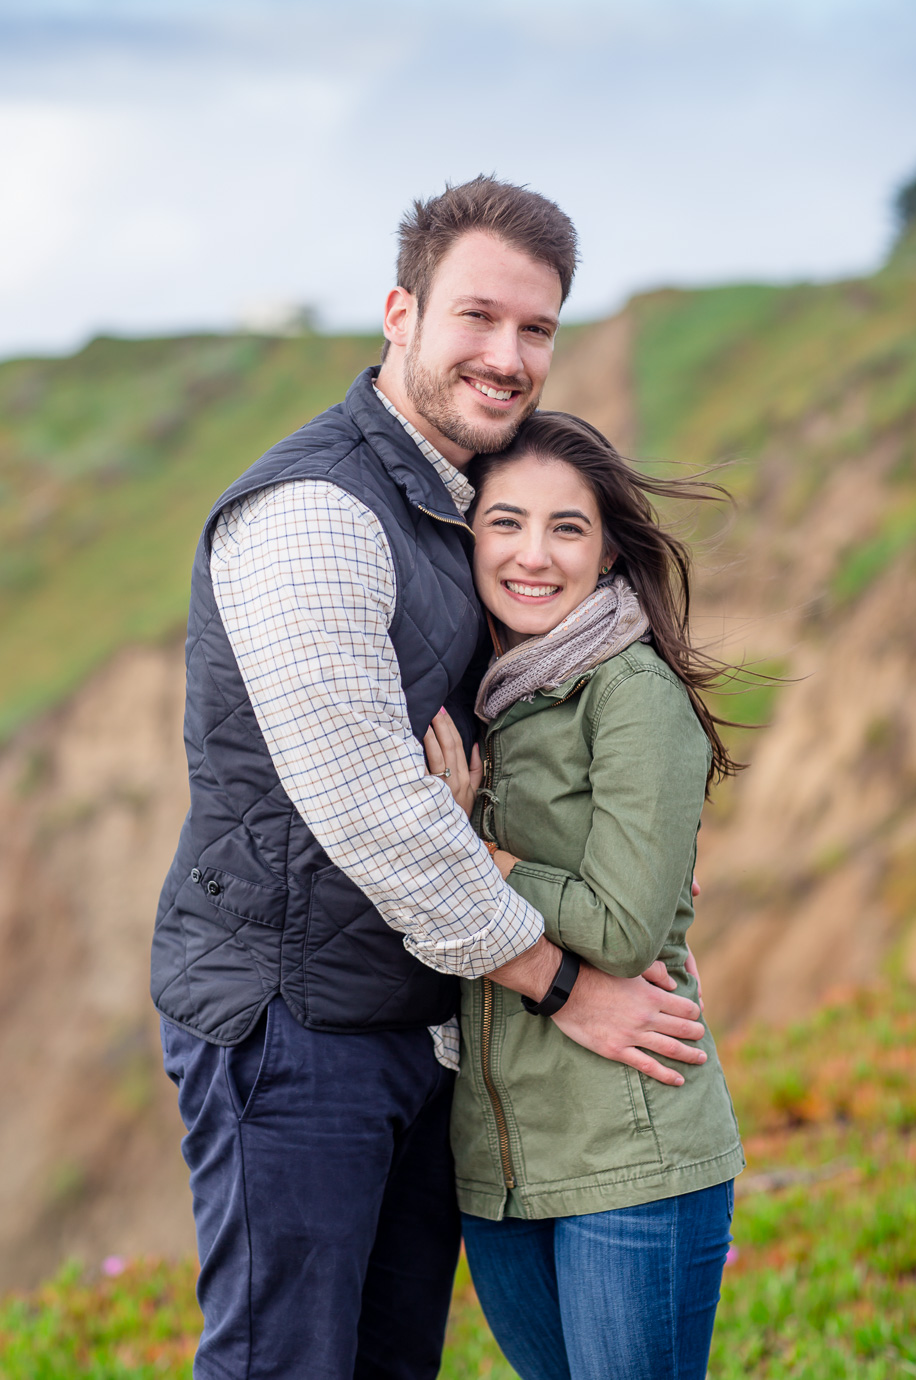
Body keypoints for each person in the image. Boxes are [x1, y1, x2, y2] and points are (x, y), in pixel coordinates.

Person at [152, 177, 709, 1380]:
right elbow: (374, 807)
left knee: (389, 1359)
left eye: (537, 329)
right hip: (292, 1025)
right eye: (477, 317)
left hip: (412, 1025)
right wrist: (569, 984)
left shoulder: (454, 500)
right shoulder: (316, 511)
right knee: (283, 1361)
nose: (507, 356)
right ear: (399, 313)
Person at [425, 412, 745, 1380]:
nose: (532, 554)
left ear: (607, 550)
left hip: (629, 1152)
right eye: (504, 522)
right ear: (468, 536)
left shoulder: (630, 691)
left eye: (566, 528)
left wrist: (474, 855)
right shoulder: (493, 692)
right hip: (503, 1171)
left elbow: (621, 926)